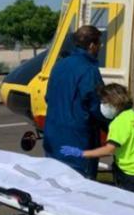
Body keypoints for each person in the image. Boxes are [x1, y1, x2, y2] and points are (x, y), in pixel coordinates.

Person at [60, 83, 134, 195]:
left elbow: (109, 149)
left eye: (104, 102)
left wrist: (81, 153)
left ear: (114, 102)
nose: (102, 106)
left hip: (130, 175)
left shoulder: (119, 122)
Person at [43, 25, 106, 179]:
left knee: (55, 183)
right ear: (92, 45)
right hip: (79, 141)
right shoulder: (89, 70)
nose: (100, 47)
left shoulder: (59, 66)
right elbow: (96, 106)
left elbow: (48, 97)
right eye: (99, 44)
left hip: (53, 137)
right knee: (80, 190)